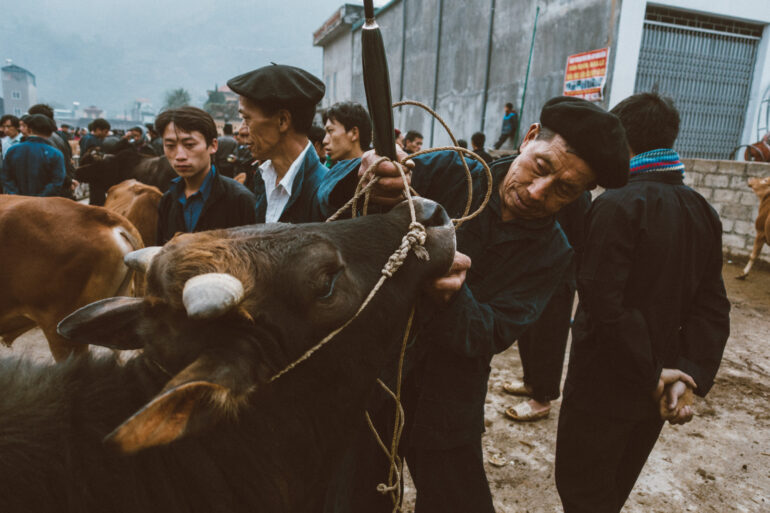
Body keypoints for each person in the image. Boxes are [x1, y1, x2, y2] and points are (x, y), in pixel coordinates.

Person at [323, 96, 631, 513]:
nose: (538, 193)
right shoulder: (450, 170)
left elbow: (490, 333)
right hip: (374, 377)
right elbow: (331, 204)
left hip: (450, 399)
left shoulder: (554, 254)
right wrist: (368, 179)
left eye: (564, 191)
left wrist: (452, 296)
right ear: (530, 138)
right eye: (541, 168)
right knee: (354, 497)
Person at [554, 92, 731, 513]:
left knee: (580, 491)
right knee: (610, 493)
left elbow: (603, 303)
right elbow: (713, 306)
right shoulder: (702, 210)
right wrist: (685, 374)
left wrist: (652, 373)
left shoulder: (616, 204)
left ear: (621, 139)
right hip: (655, 396)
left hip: (605, 387)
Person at [503, 192, 591, 421]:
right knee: (527, 330)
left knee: (548, 335)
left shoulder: (577, 193)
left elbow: (581, 239)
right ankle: (531, 382)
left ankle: (542, 398)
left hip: (559, 272)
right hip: (533, 267)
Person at [227, 63, 328, 223]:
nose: (242, 131)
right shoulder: (261, 179)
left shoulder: (325, 195)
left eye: (247, 119)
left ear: (282, 121)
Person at [155, 106, 257, 245]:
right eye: (170, 145)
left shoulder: (240, 200)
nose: (180, 156)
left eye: (189, 145)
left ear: (213, 145)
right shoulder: (167, 201)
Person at [1, 113, 66, 197]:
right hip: (43, 205)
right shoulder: (55, 154)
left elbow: (6, 177)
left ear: (29, 130)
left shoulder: (12, 150)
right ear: (50, 133)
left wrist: (16, 195)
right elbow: (56, 182)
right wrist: (39, 198)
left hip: (18, 204)